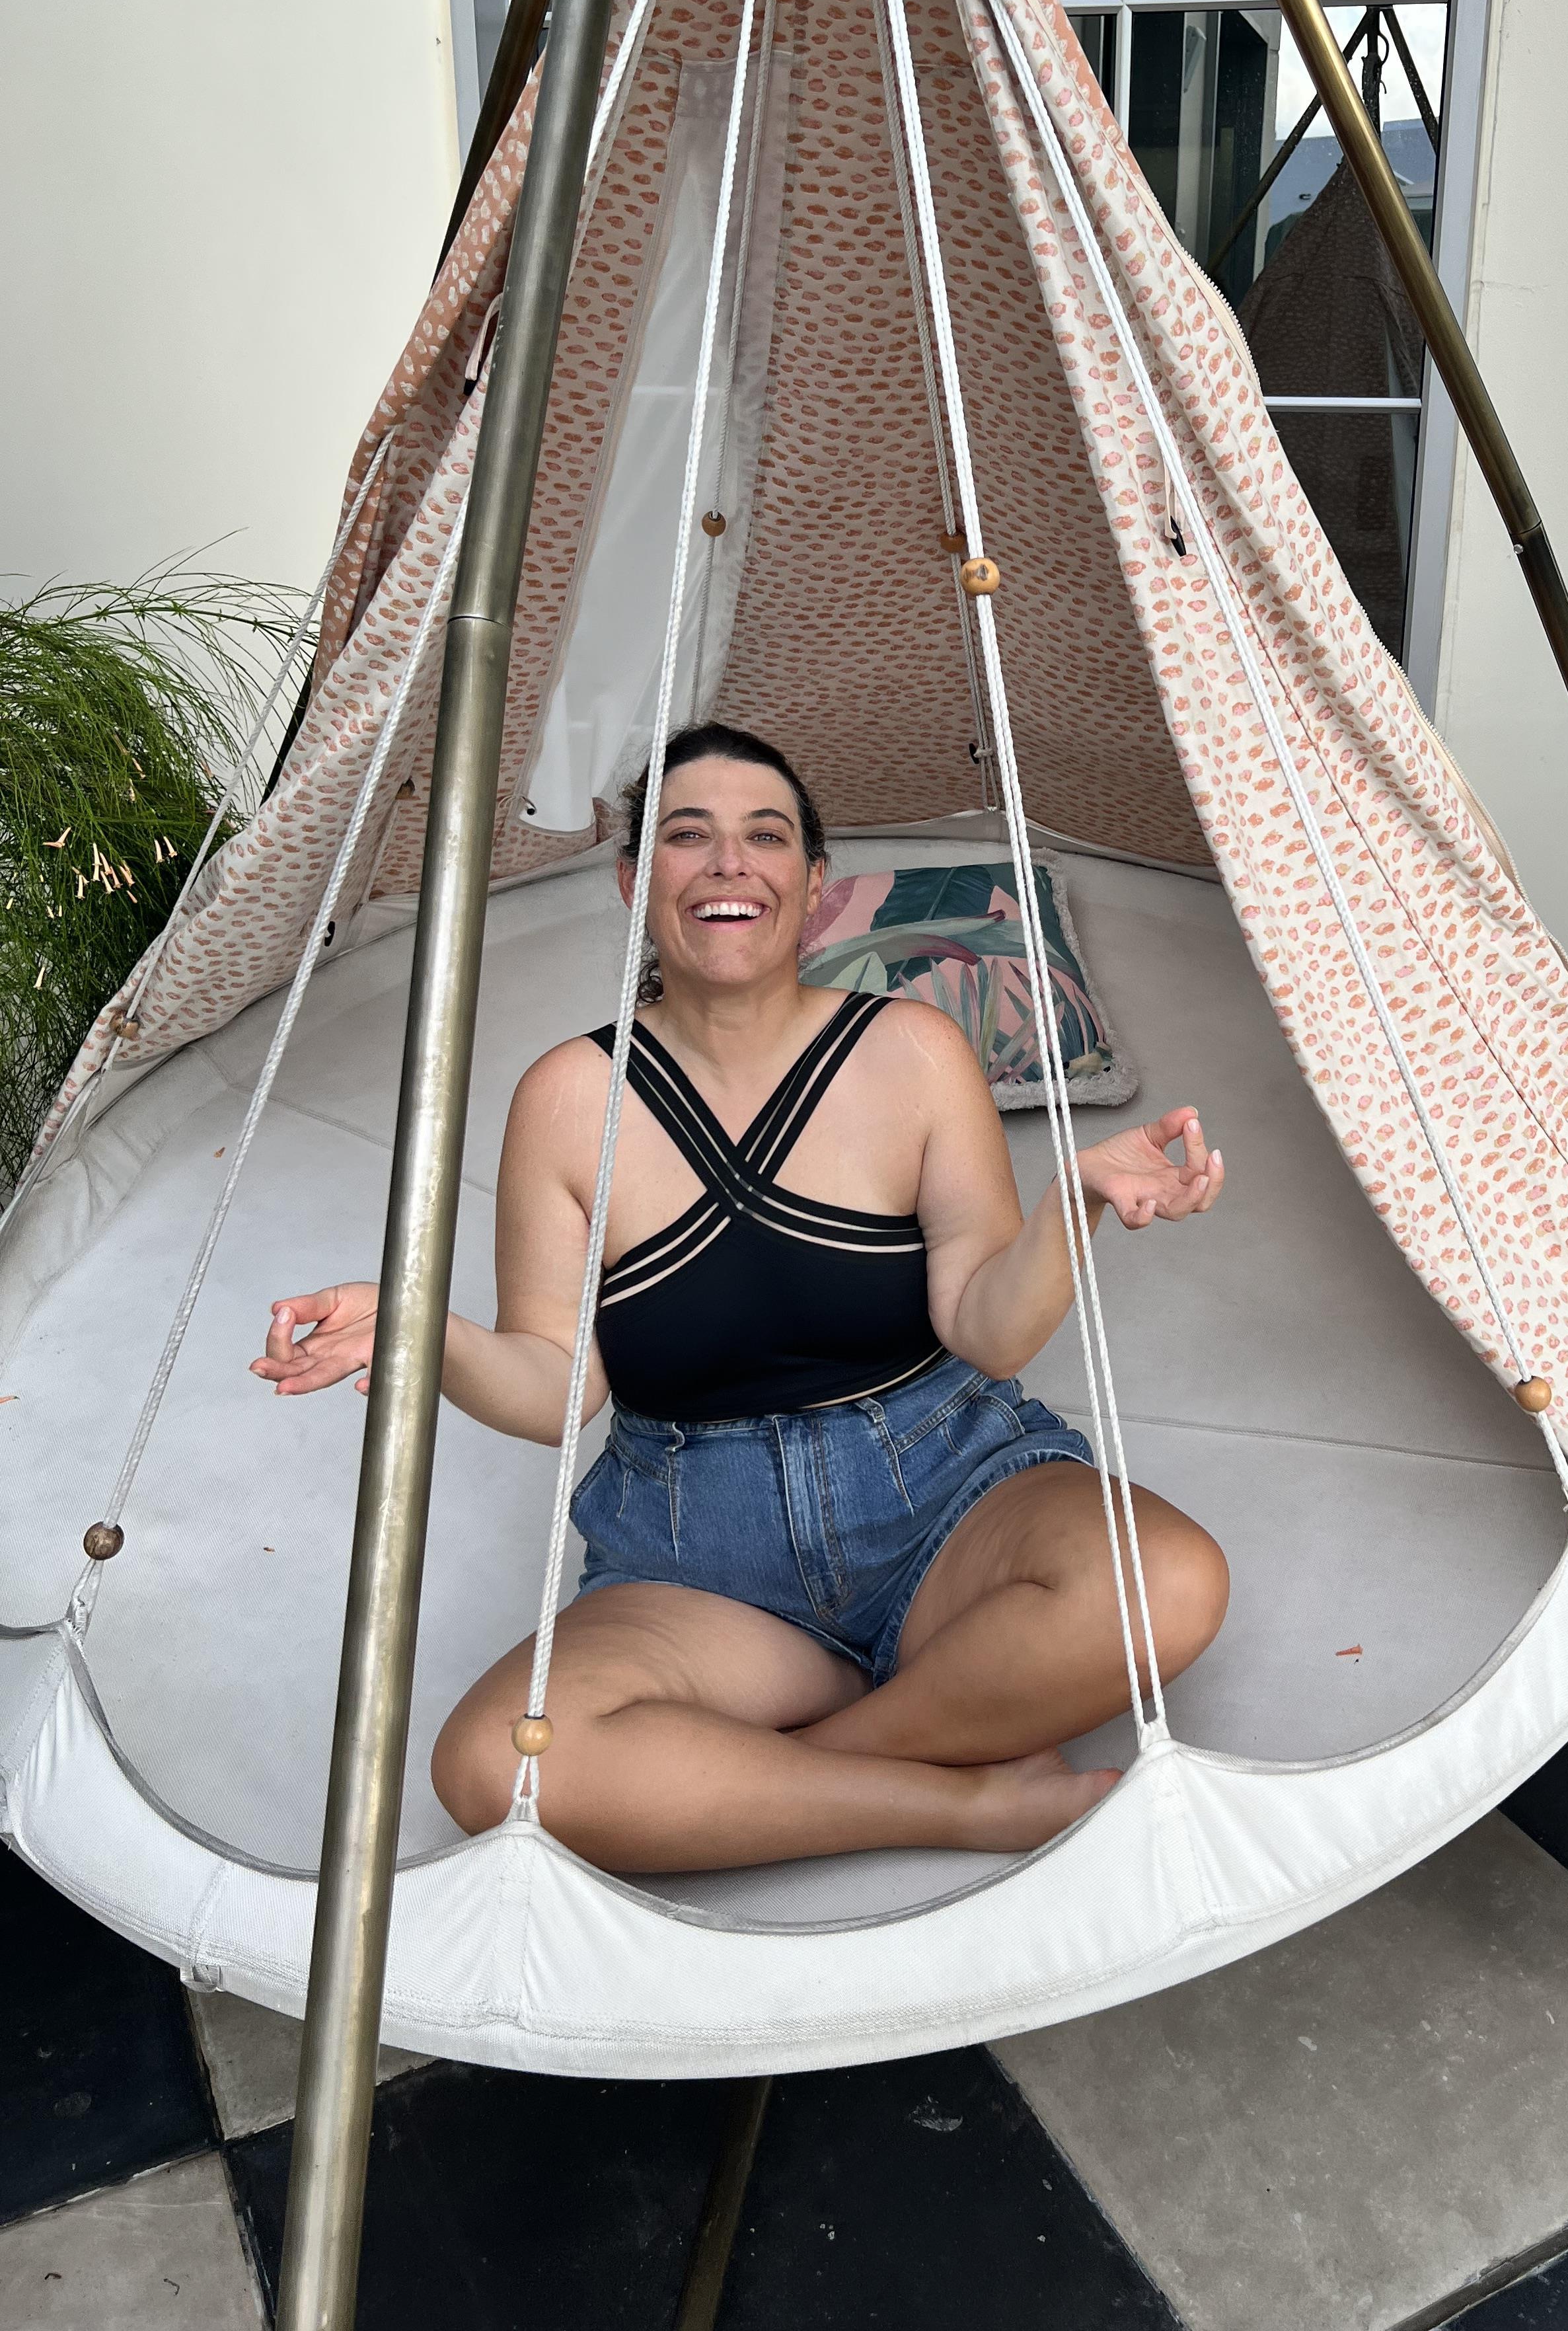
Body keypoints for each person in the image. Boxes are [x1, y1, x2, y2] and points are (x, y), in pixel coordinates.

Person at [252, 722, 1228, 1874]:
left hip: (946, 1489)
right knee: (494, 1766)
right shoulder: (571, 1098)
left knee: (1170, 1582)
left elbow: (990, 1330)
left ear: (813, 888)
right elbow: (555, 1389)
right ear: (634, 882)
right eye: (687, 836)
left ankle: (787, 1768)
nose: (729, 864)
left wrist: (1075, 1204)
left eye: (765, 837)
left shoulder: (912, 1053)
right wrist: (425, 1333)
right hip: (696, 1550)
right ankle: (953, 1800)